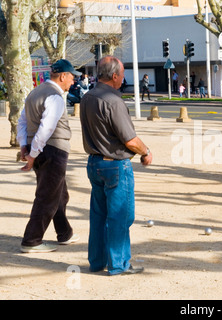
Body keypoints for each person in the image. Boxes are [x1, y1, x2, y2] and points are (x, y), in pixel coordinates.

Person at [80, 56, 152, 276]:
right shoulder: (113, 101)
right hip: (115, 165)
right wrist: (146, 151)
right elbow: (130, 140)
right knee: (120, 216)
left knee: (99, 215)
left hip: (94, 163)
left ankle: (97, 261)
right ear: (114, 76)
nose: (123, 78)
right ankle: (118, 264)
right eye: (122, 74)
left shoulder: (87, 97)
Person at [17, 59, 81, 253]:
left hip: (39, 149)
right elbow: (47, 128)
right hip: (53, 150)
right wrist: (32, 154)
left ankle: (65, 233)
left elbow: (22, 121)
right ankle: (32, 240)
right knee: (47, 196)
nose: (73, 81)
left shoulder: (34, 93)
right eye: (71, 77)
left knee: (59, 193)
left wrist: (24, 147)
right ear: (62, 76)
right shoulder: (55, 97)